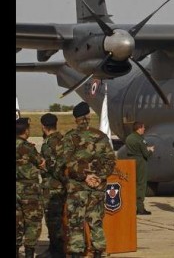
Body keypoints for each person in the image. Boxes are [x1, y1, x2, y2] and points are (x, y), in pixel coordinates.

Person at [62, 101, 116, 258]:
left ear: (76, 119)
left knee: (76, 222)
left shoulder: (70, 137)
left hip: (78, 187)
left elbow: (68, 162)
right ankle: (99, 252)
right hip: (96, 188)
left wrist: (85, 176)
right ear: (88, 117)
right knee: (96, 221)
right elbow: (110, 160)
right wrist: (99, 177)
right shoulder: (100, 137)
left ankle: (77, 253)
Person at [16, 117, 45, 258]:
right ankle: (28, 253)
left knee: (17, 222)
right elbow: (41, 162)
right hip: (29, 191)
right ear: (26, 131)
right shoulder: (28, 147)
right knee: (32, 222)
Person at [39, 113, 66, 257]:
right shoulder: (64, 140)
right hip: (65, 187)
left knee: (53, 221)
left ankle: (56, 251)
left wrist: (43, 167)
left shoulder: (48, 144)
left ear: (43, 127)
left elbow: (53, 167)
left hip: (53, 188)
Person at [125, 121, 155, 215]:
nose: (144, 129)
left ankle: (130, 206)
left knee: (132, 184)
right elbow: (145, 154)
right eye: (143, 128)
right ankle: (140, 208)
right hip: (140, 162)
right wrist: (151, 151)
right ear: (139, 128)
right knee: (141, 185)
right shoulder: (140, 139)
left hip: (131, 162)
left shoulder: (129, 138)